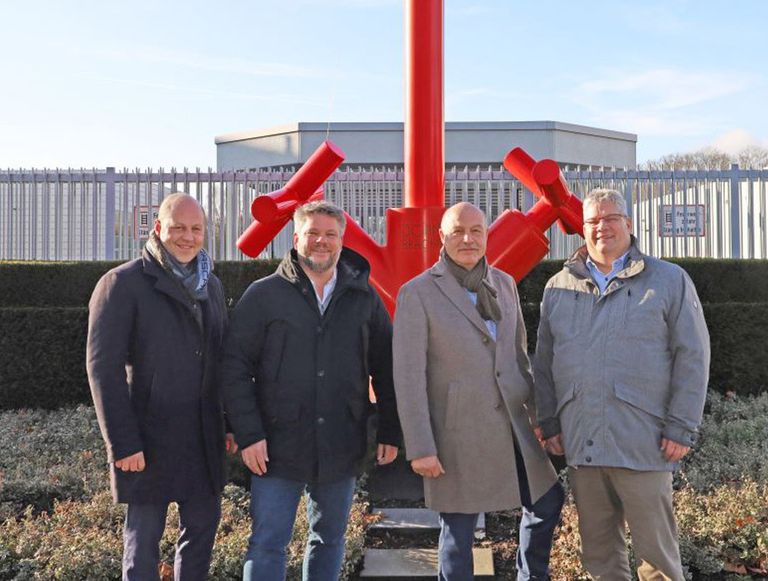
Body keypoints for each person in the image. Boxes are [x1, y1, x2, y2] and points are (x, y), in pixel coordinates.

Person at [533, 188, 710, 581]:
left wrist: (681, 426)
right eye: (593, 221)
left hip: (643, 443)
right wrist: (550, 422)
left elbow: (693, 358)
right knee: (599, 558)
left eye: (611, 218)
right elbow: (544, 363)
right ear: (582, 229)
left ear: (629, 224)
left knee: (658, 561)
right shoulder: (559, 287)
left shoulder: (668, 280)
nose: (602, 228)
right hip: (583, 442)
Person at [222, 200, 402, 580]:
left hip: (341, 440)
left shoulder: (363, 297)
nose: (322, 241)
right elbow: (235, 367)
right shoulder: (263, 295)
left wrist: (389, 429)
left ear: (342, 239)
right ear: (296, 237)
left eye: (330, 234)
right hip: (274, 444)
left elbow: (386, 367)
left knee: (330, 540)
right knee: (268, 543)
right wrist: (249, 433)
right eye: (313, 233)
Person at [393, 202, 565, 581]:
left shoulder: (502, 283)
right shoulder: (418, 293)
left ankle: (530, 576)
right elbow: (408, 376)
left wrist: (538, 419)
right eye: (457, 231)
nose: (467, 239)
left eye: (476, 230)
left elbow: (519, 356)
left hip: (512, 424)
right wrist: (421, 447)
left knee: (548, 500)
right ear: (441, 237)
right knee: (458, 530)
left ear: (487, 235)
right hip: (458, 430)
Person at [86, 193, 235, 580]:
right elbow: (103, 368)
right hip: (147, 440)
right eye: (178, 228)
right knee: (142, 550)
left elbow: (223, 360)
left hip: (204, 437)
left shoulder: (212, 286)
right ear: (158, 229)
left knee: (200, 541)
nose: (188, 237)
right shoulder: (121, 283)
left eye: (196, 229)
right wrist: (122, 442)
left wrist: (231, 424)